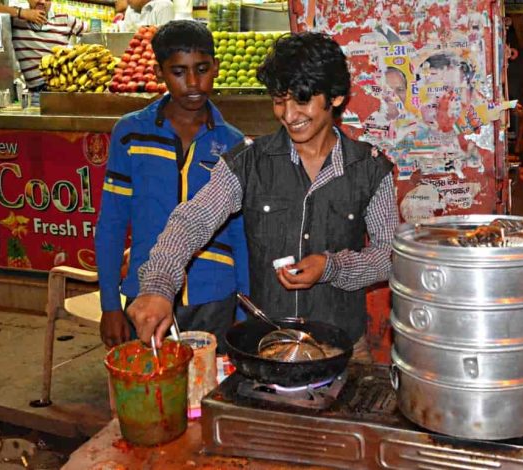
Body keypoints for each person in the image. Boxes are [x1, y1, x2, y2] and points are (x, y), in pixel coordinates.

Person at [127, 32, 398, 362]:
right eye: (279, 100)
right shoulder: (248, 162)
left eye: (302, 100)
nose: (288, 114)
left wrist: (332, 266)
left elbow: (389, 256)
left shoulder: (370, 169)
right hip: (270, 348)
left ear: (336, 97)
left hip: (344, 351)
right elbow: (192, 219)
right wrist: (158, 286)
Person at [95, 20, 249, 353]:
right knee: (153, 394)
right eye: (179, 71)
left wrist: (242, 308)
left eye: (202, 69)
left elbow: (240, 234)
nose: (193, 83)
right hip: (146, 295)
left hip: (215, 297)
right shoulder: (131, 134)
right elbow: (111, 223)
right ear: (159, 71)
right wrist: (109, 303)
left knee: (209, 397)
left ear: (216, 67)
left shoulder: (233, 143)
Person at [0, 0, 87, 93]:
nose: (42, 2)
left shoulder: (65, 20)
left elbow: (94, 36)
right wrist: (22, 13)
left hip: (65, 88)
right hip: (35, 92)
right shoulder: (16, 20)